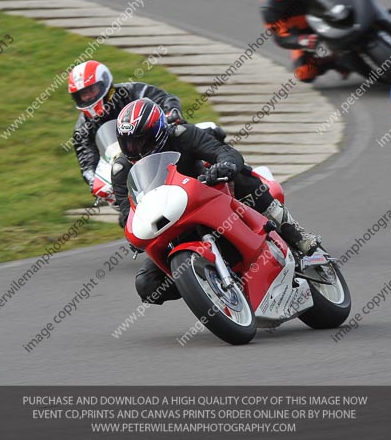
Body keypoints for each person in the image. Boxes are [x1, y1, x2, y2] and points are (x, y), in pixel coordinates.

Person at [111, 98, 321, 304]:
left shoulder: (181, 134)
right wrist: (134, 233)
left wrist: (224, 166)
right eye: (128, 143)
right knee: (147, 284)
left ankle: (295, 233)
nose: (135, 148)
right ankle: (203, 287)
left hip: (207, 196)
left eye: (141, 140)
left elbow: (223, 152)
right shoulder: (121, 169)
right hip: (170, 224)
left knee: (243, 177)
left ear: (156, 132)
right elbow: (126, 211)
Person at [260, 0, 391, 83]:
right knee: (304, 73)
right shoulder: (270, 7)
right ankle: (336, 60)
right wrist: (301, 40)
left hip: (327, 15)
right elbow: (280, 38)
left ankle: (387, 17)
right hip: (305, 34)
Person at [69, 60, 185, 191]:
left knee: (183, 138)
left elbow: (165, 99)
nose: (88, 96)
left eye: (91, 89)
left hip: (155, 146)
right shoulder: (82, 129)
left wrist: (171, 112)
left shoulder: (128, 92)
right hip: (125, 169)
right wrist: (94, 182)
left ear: (104, 84)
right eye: (83, 94)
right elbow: (87, 164)